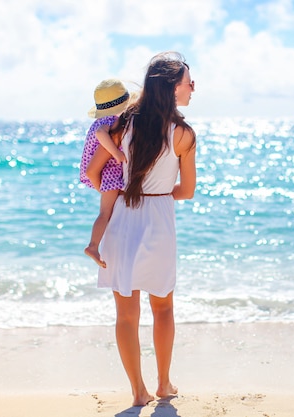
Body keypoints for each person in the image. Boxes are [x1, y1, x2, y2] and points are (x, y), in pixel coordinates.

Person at [97, 51, 196, 406]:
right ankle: (164, 383)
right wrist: (157, 191)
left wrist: (121, 190)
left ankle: (137, 391)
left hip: (122, 217)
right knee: (163, 309)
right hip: (156, 220)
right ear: (172, 87)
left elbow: (95, 171)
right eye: (189, 81)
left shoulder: (122, 123)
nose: (193, 88)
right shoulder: (183, 133)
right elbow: (186, 191)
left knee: (125, 313)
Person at [80, 78, 131, 268]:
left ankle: (94, 245)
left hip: (105, 170)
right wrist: (116, 152)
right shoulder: (110, 121)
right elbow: (102, 134)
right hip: (108, 171)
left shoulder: (102, 120)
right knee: (105, 212)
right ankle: (93, 246)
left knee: (106, 210)